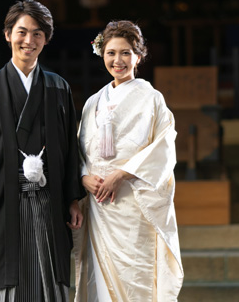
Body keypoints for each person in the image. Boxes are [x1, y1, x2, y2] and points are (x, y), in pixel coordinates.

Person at [0, 0, 84, 302]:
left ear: (46, 39)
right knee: (2, 280)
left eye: (37, 33)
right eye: (22, 32)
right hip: (0, 202)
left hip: (48, 202)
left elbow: (69, 150)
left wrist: (73, 199)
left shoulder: (58, 88)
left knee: (46, 279)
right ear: (7, 34)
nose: (29, 40)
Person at [73, 20, 184, 301]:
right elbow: (78, 148)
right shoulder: (92, 102)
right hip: (99, 205)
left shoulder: (151, 98)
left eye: (125, 53)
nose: (118, 60)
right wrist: (84, 176)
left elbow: (164, 147)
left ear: (138, 55)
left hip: (133, 202)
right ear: (102, 54)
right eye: (111, 53)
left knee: (135, 276)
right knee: (98, 277)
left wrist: (121, 174)